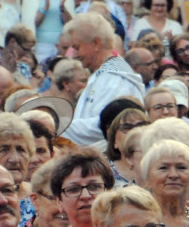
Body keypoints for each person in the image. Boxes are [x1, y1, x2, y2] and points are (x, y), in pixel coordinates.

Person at [61, 13, 144, 145]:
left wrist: (57, 126)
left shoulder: (116, 81)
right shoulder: (103, 75)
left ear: (96, 43)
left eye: (77, 47)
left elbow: (106, 126)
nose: (74, 54)